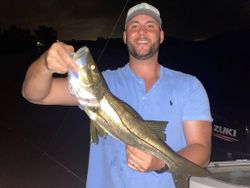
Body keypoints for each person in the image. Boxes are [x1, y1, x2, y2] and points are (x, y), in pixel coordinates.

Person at [22, 2, 212, 188]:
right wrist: (45, 63)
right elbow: (34, 94)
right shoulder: (104, 83)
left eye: (150, 26)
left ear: (161, 35)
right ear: (125, 36)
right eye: (134, 26)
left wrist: (161, 162)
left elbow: (202, 150)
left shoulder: (189, 86)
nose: (142, 32)